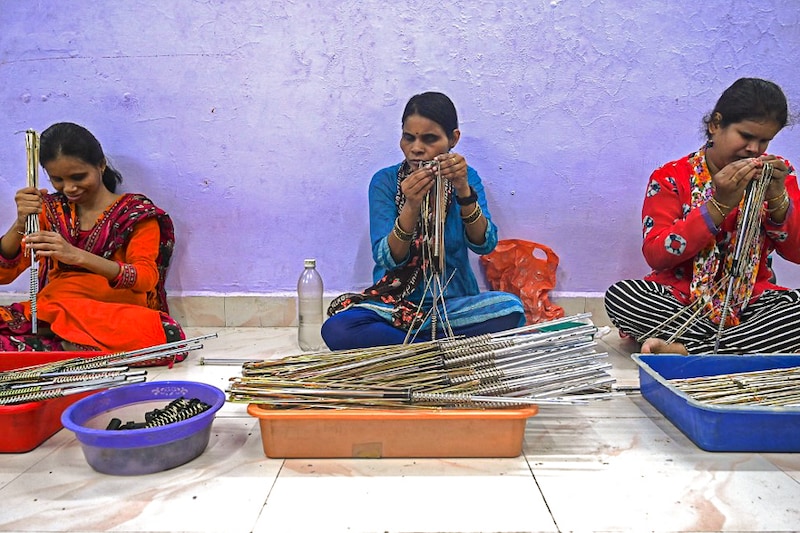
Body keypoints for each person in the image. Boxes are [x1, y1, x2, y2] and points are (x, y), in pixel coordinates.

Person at [605, 78, 800, 355]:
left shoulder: (776, 176)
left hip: (749, 301)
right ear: (715, 124)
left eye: (764, 140)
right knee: (623, 296)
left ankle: (688, 351)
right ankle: (735, 348)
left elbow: (797, 253)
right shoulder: (671, 177)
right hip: (682, 300)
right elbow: (657, 255)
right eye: (745, 136)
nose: (754, 150)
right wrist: (718, 205)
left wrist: (778, 199)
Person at [322, 91, 525, 350]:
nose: (416, 148)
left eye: (430, 139)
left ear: (453, 139)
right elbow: (387, 259)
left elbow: (484, 244)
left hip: (453, 306)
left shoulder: (466, 178)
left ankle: (407, 352)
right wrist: (411, 205)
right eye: (409, 137)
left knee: (510, 309)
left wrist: (463, 190)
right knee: (339, 328)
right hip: (395, 308)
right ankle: (442, 351)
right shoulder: (384, 182)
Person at [0, 122, 185, 359]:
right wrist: (20, 222)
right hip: (55, 311)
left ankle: (52, 350)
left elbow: (145, 278)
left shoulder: (135, 214)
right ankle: (66, 348)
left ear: (101, 164)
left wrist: (77, 256)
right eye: (57, 179)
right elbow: (4, 275)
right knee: (50, 311)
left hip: (110, 317)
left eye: (78, 176)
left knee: (168, 335)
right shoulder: (49, 210)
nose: (69, 188)